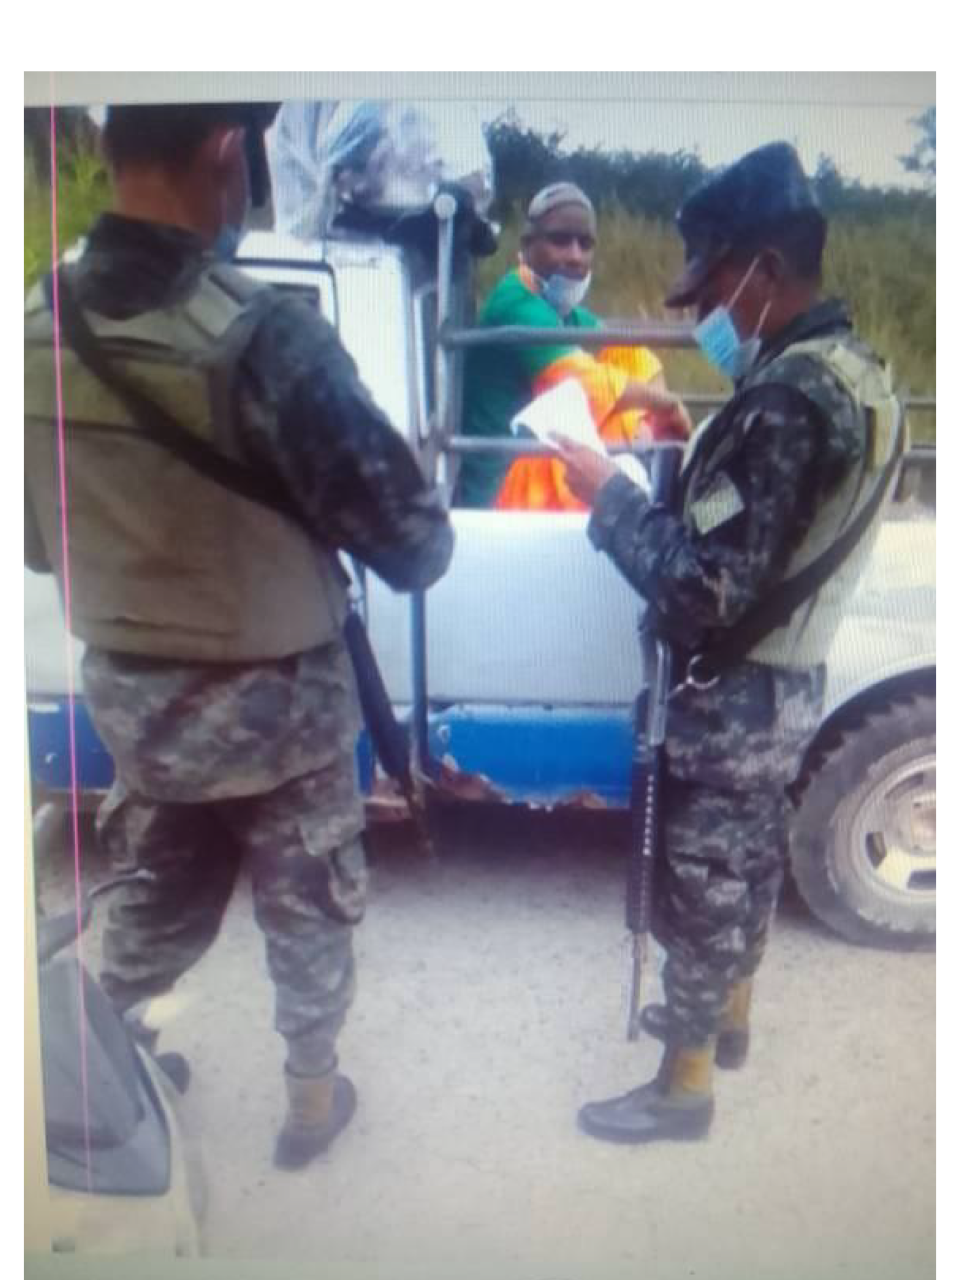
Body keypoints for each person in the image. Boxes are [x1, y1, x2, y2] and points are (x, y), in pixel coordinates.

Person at [23, 103, 454, 1170]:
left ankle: (103, 1072)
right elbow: (413, 547)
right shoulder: (269, 337)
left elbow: (39, 543)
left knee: (154, 894)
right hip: (283, 715)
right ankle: (311, 1102)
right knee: (306, 907)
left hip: (142, 713)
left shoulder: (34, 328)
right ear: (226, 152)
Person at [554, 143, 903, 1144]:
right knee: (744, 866)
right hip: (781, 682)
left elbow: (704, 584)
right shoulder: (851, 372)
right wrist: (686, 438)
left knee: (705, 882)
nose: (703, 310)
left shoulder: (789, 400)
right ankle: (733, 1026)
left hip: (733, 691)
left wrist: (609, 495)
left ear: (761, 269)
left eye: (713, 285)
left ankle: (684, 1086)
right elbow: (758, 526)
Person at [457, 181, 689, 510]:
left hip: (528, 464)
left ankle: (650, 483)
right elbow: (584, 385)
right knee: (608, 447)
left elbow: (628, 351)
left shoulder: (557, 309)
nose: (575, 256)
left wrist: (653, 421)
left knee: (624, 375)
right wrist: (665, 406)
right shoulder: (517, 303)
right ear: (527, 245)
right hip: (500, 488)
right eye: (560, 240)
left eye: (585, 243)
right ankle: (649, 500)